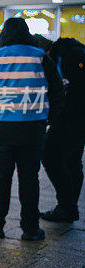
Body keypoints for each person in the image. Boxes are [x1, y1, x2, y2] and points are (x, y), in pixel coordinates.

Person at [0, 18, 64, 241]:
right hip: (32, 131)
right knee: (30, 179)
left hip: (0, 132)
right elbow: (57, 94)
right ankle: (31, 229)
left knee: (1, 178)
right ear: (27, 33)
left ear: (4, 34)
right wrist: (45, 120)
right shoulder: (42, 58)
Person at [41, 38, 85, 223]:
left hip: (73, 117)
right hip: (78, 117)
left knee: (50, 156)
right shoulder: (75, 51)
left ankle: (67, 207)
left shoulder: (70, 57)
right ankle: (68, 207)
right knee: (72, 161)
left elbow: (74, 88)